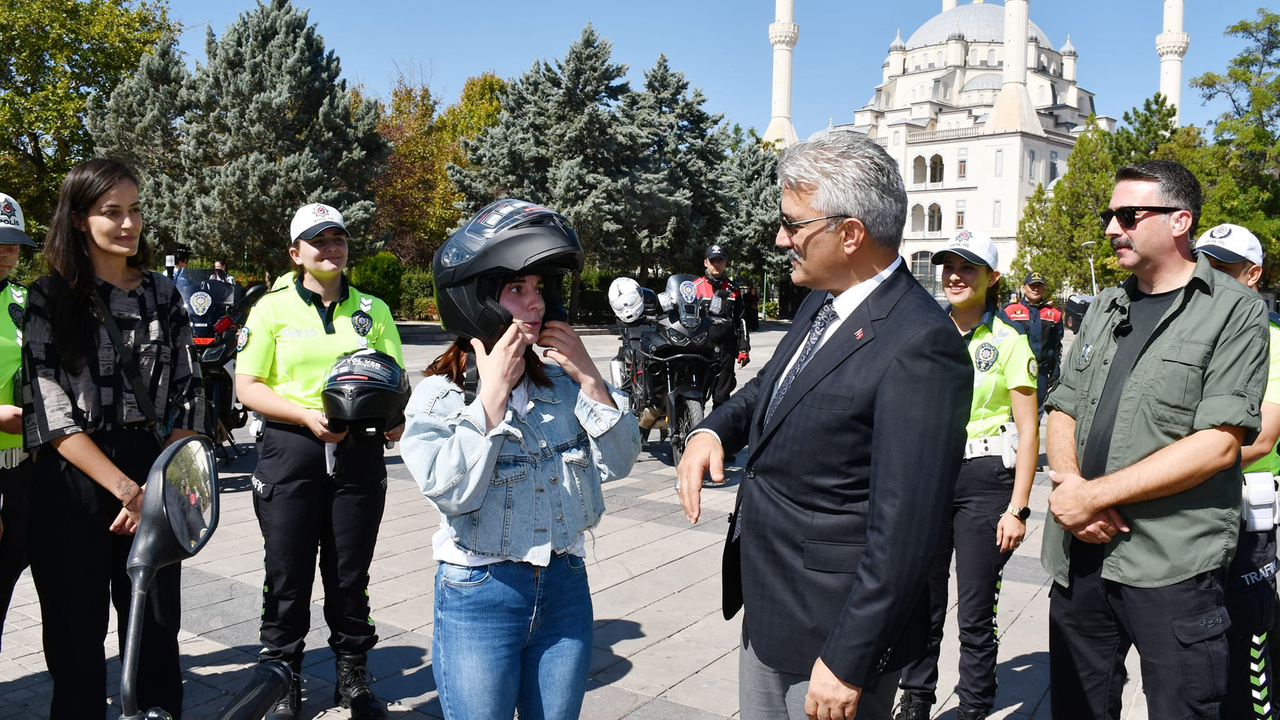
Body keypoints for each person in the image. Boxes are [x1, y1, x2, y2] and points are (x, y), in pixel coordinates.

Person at [676, 131, 973, 720]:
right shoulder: (825, 297)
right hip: (773, 606)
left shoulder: (921, 345)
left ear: (850, 233)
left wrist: (848, 660)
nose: (781, 239)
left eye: (793, 224)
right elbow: (772, 387)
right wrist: (712, 430)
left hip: (833, 639)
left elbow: (906, 533)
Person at [1042, 160, 1269, 719]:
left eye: (1127, 215)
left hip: (1171, 563)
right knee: (1078, 707)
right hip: (1081, 553)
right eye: (1109, 215)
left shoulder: (1235, 311)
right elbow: (1064, 404)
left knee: (1183, 709)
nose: (1111, 228)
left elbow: (1219, 442)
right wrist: (1072, 491)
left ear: (1179, 221)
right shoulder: (1104, 306)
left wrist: (1092, 496)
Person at [400, 199, 640, 720]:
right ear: (478, 299)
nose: (535, 304)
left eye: (539, 289)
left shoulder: (561, 385)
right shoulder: (442, 395)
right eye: (516, 290)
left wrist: (590, 379)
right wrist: (490, 398)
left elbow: (622, 461)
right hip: (481, 595)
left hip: (564, 589)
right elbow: (452, 492)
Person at [22, 159, 204, 718]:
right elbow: (51, 413)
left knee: (153, 633)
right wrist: (127, 489)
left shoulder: (163, 294)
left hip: (154, 470)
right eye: (111, 212)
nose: (128, 224)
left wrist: (159, 485)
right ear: (79, 219)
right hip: (73, 479)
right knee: (74, 641)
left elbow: (189, 392)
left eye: (135, 210)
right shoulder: (48, 297)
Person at [235, 202, 403, 720]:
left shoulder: (372, 309)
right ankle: (282, 679)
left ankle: (352, 679)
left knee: (349, 573)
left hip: (358, 453)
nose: (331, 248)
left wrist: (395, 414)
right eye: (319, 241)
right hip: (292, 450)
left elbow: (395, 373)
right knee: (286, 573)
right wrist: (306, 416)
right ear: (296, 253)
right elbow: (248, 385)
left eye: (338, 239)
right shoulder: (270, 308)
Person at [893, 230, 1040, 720]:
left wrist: (1018, 508)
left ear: (992, 278)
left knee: (976, 610)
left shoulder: (1010, 342)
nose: (955, 275)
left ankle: (974, 705)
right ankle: (916, 698)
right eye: (949, 265)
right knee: (922, 599)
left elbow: (1028, 429)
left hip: (985, 481)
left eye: (968, 267)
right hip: (930, 477)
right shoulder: (923, 330)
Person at [1194, 223, 1280, 720]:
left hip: (1247, 511)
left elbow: (1263, 438)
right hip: (1193, 507)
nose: (1211, 276)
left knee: (1249, 647)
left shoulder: (1270, 340)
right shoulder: (1195, 332)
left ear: (1253, 275)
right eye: (1204, 263)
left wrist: (1173, 465)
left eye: (1223, 267)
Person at [0, 192, 37, 652]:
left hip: (21, 459)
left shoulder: (24, 301)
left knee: (13, 558)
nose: (7, 252)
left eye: (12, 243)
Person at [692, 244, 750, 408]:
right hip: (701, 350)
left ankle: (717, 431)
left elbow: (741, 320)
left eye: (720, 260)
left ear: (725, 263)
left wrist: (744, 349)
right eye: (713, 260)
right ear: (705, 262)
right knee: (697, 397)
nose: (716, 264)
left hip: (726, 350)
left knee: (721, 398)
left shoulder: (733, 290)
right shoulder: (694, 288)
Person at [1002, 270, 1063, 410]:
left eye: (1039, 286)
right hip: (1014, 370)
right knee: (1012, 411)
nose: (1035, 289)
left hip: (1040, 372)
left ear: (1044, 289)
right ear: (1024, 288)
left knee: (1036, 411)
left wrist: (1055, 371)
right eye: (1032, 285)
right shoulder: (1009, 312)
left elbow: (1056, 345)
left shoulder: (1054, 314)